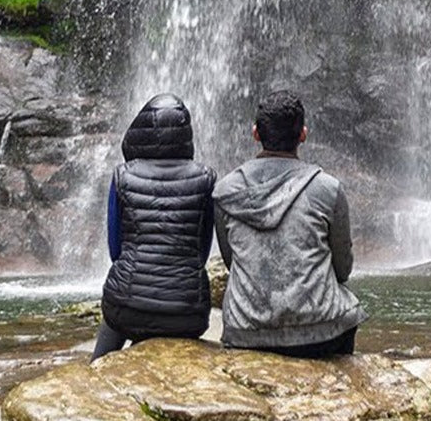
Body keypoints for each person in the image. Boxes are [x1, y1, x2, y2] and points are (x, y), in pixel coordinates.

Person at [213, 89, 363, 356]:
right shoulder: (327, 188)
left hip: (245, 331)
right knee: (348, 309)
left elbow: (230, 261)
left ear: (255, 133)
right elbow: (343, 269)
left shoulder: (225, 190)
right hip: (318, 335)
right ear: (303, 134)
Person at [91, 92, 216, 360]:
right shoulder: (206, 177)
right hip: (188, 313)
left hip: (127, 307)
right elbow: (201, 252)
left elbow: (116, 249)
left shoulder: (123, 176)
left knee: (113, 326)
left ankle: (95, 370)